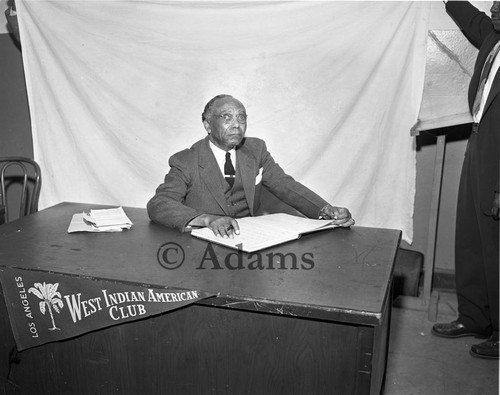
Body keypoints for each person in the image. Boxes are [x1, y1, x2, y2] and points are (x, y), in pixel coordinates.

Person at [147, 94, 354, 238]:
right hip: (204, 249)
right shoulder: (186, 160)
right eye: (226, 117)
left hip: (251, 244)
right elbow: (159, 203)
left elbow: (284, 184)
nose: (237, 124)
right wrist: (206, 219)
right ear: (207, 124)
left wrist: (325, 210)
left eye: (241, 117)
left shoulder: (256, 150)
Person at [431, 1, 500, 359]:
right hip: (480, 140)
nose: (494, 9)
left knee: (497, 244)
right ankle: (474, 317)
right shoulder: (493, 35)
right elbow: (466, 14)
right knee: (471, 234)